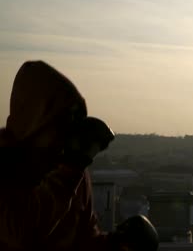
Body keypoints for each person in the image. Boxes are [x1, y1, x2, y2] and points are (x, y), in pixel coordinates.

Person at [0, 61, 159, 251]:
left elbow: (84, 239)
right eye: (60, 123)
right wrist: (71, 169)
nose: (67, 136)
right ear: (36, 120)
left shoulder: (74, 172)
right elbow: (19, 234)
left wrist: (115, 243)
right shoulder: (7, 166)